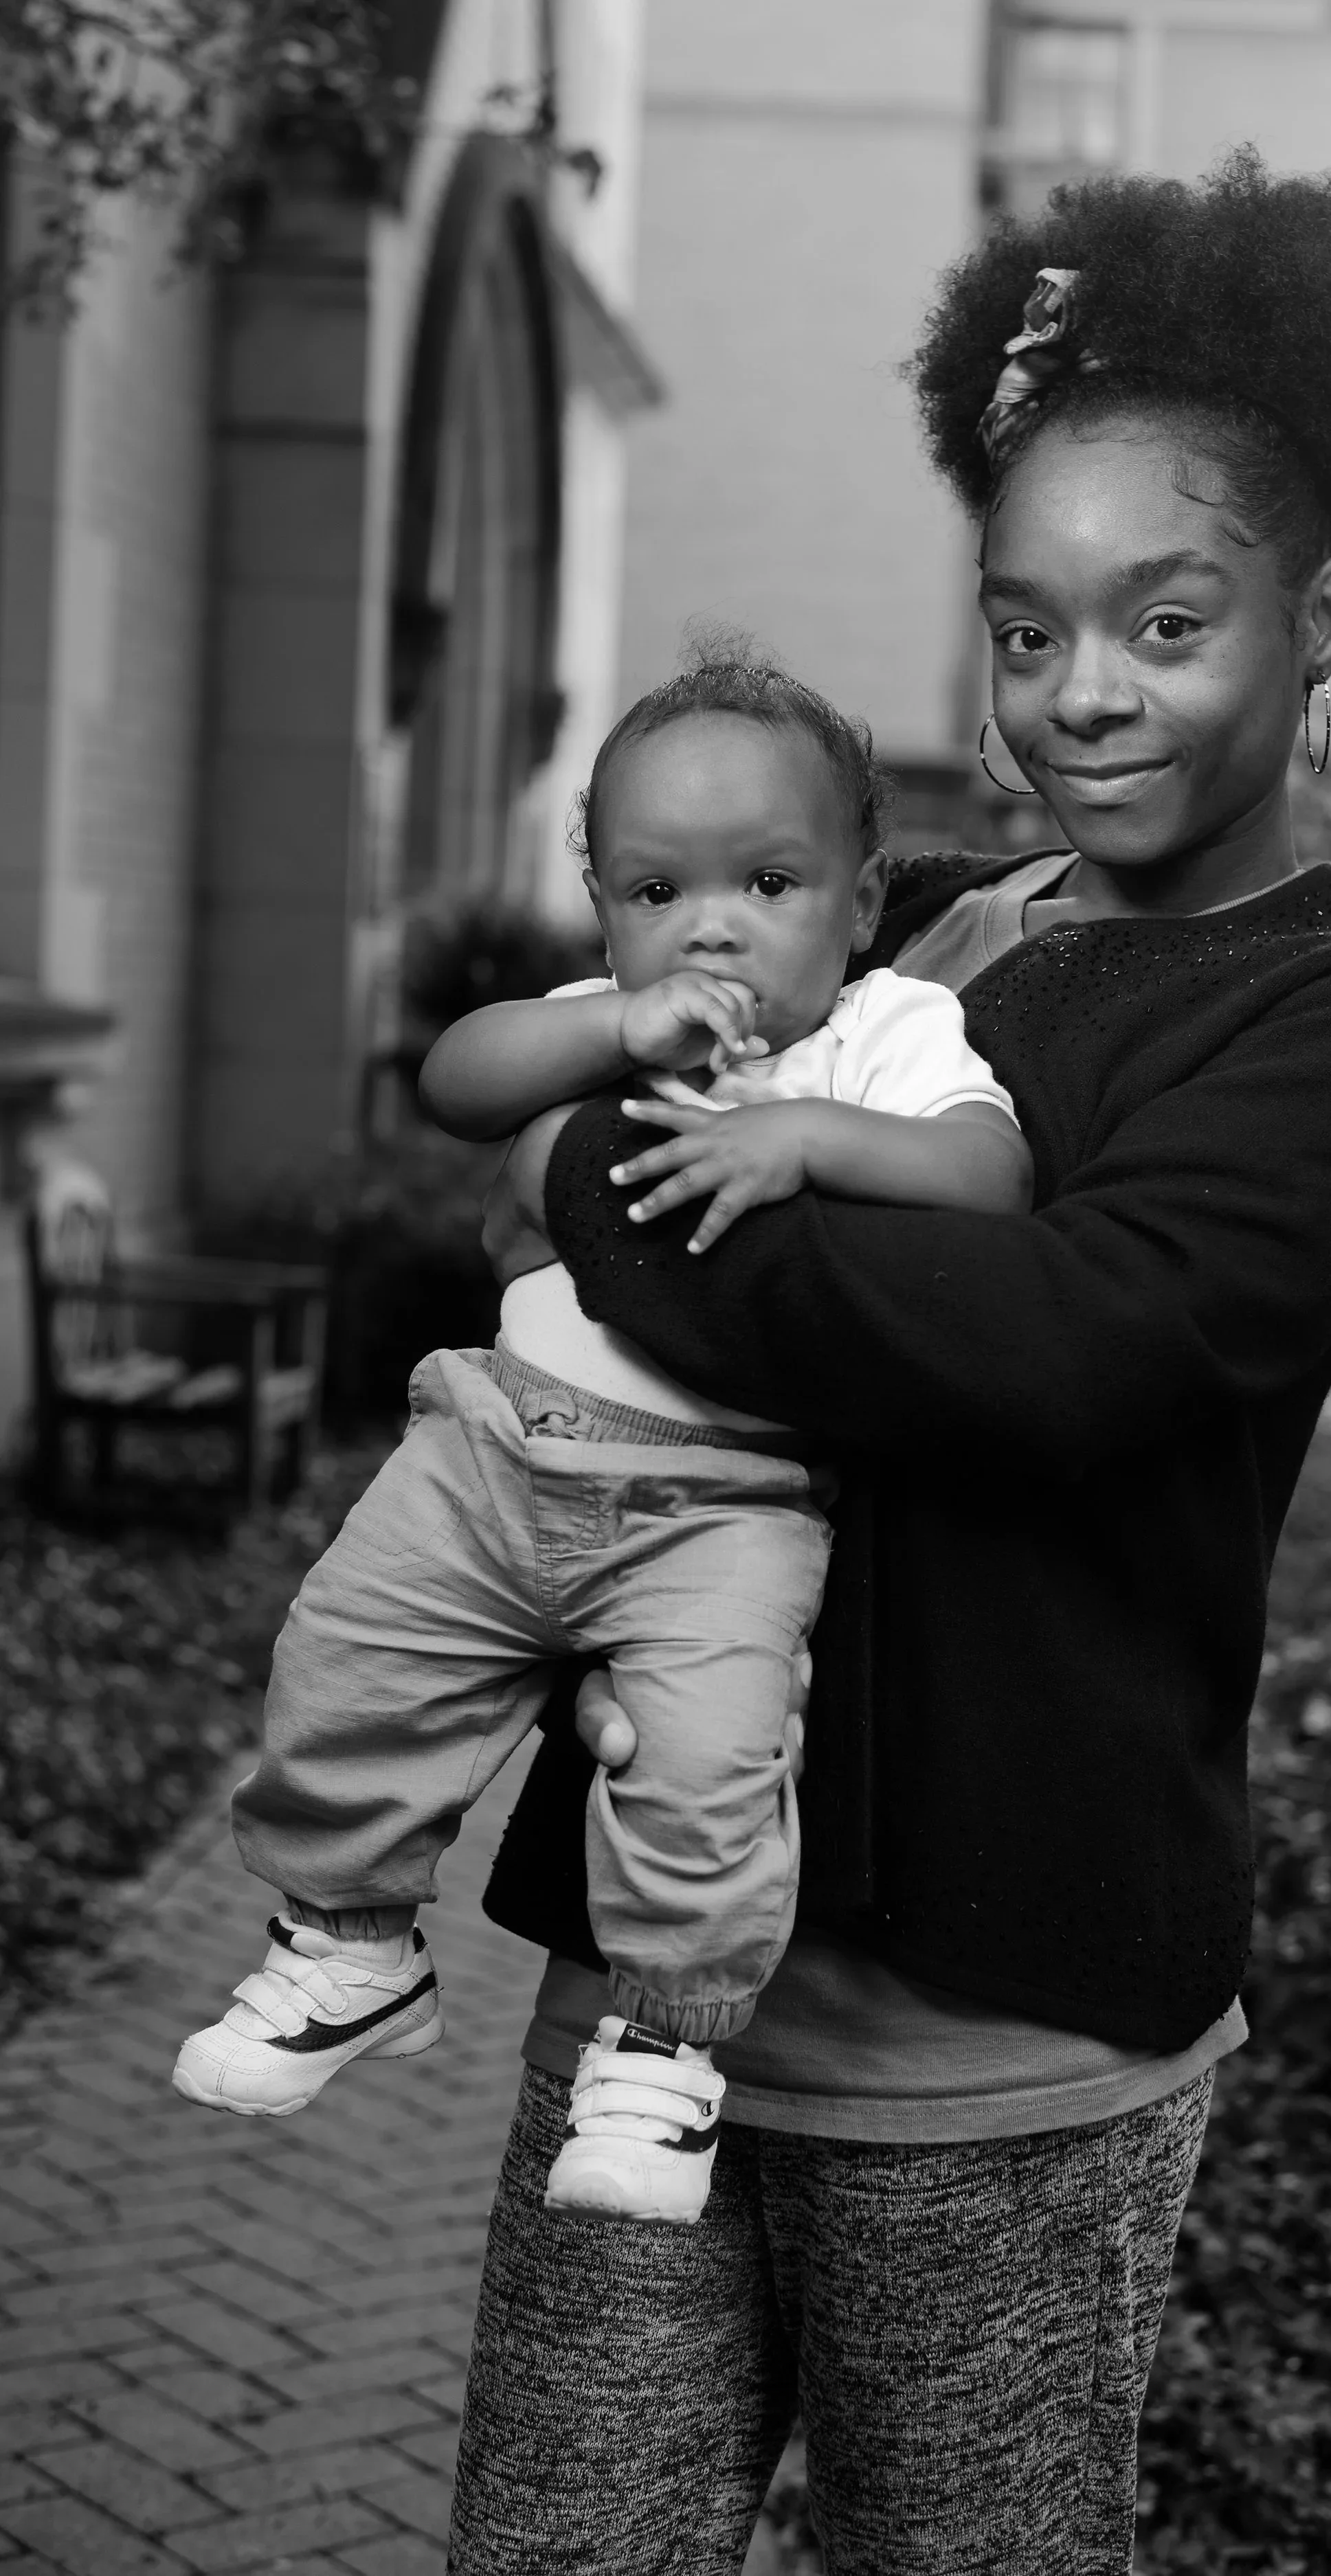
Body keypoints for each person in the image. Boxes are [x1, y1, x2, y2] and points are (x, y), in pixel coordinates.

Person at [449, 152, 1331, 2575]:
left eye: (1167, 621)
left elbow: (1058, 1352)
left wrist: (631, 1179)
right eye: (1027, 634)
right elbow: (607, 1095)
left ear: (1319, 618)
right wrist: (685, 1157)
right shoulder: (926, 907)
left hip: (1002, 2041)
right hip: (658, 1962)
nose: (1081, 697)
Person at [170, 656, 1029, 2227]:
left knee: (707, 1761)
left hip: (727, 1505)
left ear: (860, 897)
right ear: (601, 901)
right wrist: (612, 1031)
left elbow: (987, 1179)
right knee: (344, 1663)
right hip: (494, 1456)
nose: (711, 926)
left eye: (769, 882)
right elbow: (451, 1078)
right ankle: (348, 1944)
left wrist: (800, 1137)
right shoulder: (595, 1027)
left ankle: (665, 2048)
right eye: (655, 889)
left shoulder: (885, 1036)